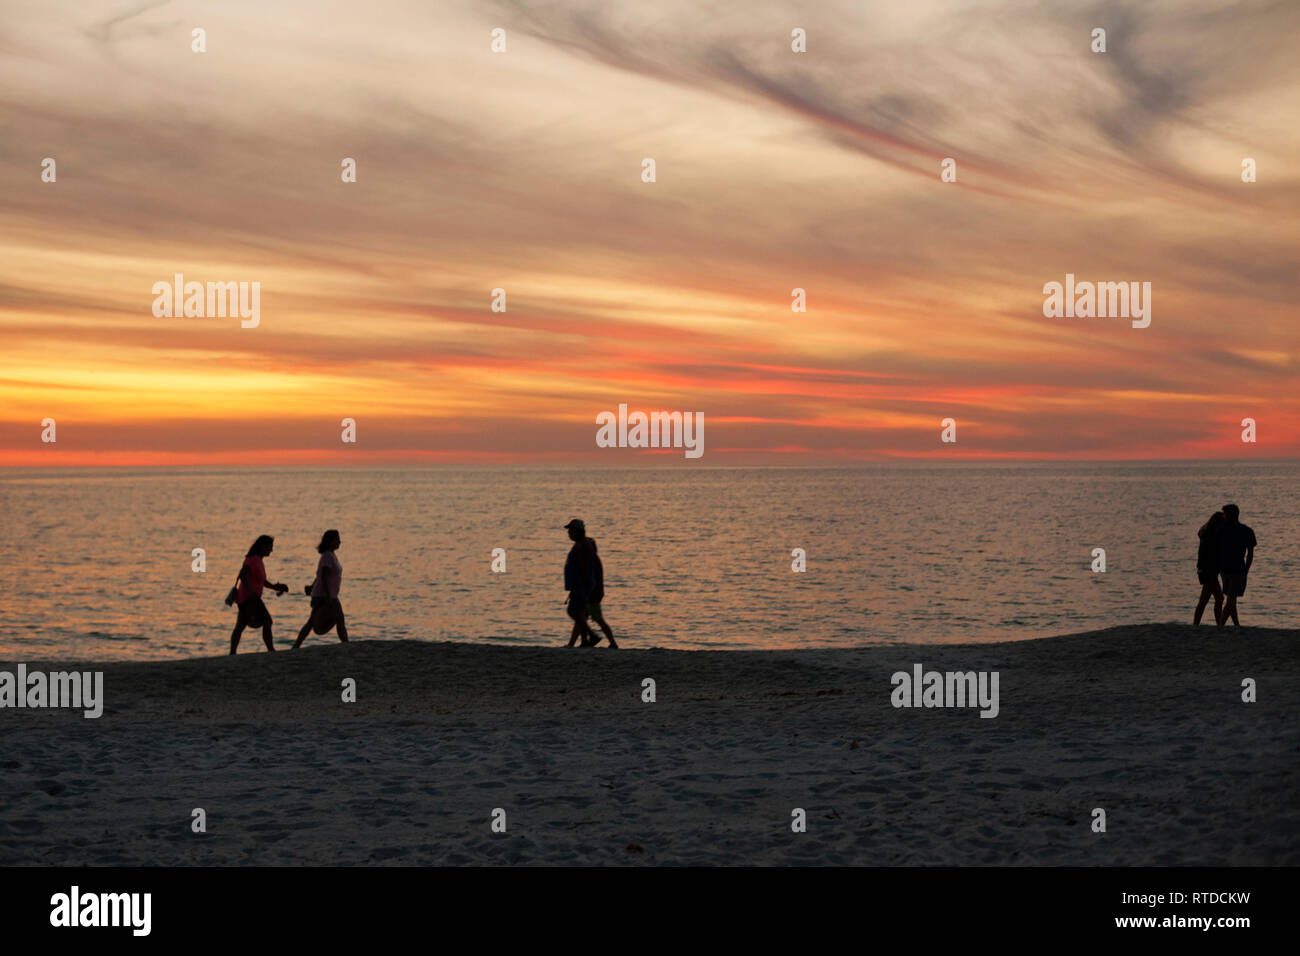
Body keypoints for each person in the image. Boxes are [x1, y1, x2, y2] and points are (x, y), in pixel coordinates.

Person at [229, 535, 288, 654]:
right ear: (262, 547)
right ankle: (270, 649)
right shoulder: (252, 560)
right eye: (269, 547)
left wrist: (274, 587)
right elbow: (243, 577)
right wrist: (252, 592)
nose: (271, 550)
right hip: (249, 599)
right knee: (267, 620)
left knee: (240, 625)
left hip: (247, 598)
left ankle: (232, 653)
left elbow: (261, 581)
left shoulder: (258, 560)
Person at [294, 529, 349, 648]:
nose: (340, 542)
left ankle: (346, 644)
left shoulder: (331, 555)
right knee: (313, 622)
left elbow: (319, 576)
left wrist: (312, 586)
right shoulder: (327, 556)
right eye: (337, 540)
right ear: (330, 541)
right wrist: (327, 596)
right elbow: (323, 577)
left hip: (330, 595)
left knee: (339, 619)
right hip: (323, 596)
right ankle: (296, 645)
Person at [1217, 503, 1256, 629]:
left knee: (1231, 598)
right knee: (1231, 599)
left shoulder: (1220, 529)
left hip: (1225, 568)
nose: (1223, 517)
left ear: (1230, 515)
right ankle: (1221, 626)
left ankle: (1235, 625)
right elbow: (1250, 553)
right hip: (1236, 569)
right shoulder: (1247, 531)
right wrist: (1246, 569)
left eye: (1225, 514)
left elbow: (1215, 549)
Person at [563, 518, 595, 647]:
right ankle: (582, 641)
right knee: (580, 614)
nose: (569, 533)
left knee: (573, 611)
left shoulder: (582, 545)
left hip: (581, 585)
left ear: (578, 531)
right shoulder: (581, 544)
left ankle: (592, 635)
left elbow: (583, 567)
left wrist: (578, 586)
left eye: (571, 530)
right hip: (581, 584)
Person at [583, 536, 618, 648]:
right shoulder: (593, 559)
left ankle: (612, 642)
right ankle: (577, 642)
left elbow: (591, 579)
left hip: (593, 594)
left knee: (597, 619)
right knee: (582, 618)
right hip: (593, 593)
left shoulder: (592, 560)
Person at [1194, 511, 1225, 626]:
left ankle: (1197, 624)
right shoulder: (1212, 537)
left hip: (1205, 570)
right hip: (1209, 572)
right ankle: (1219, 624)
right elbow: (1213, 556)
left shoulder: (1206, 534)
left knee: (1206, 600)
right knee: (1218, 598)